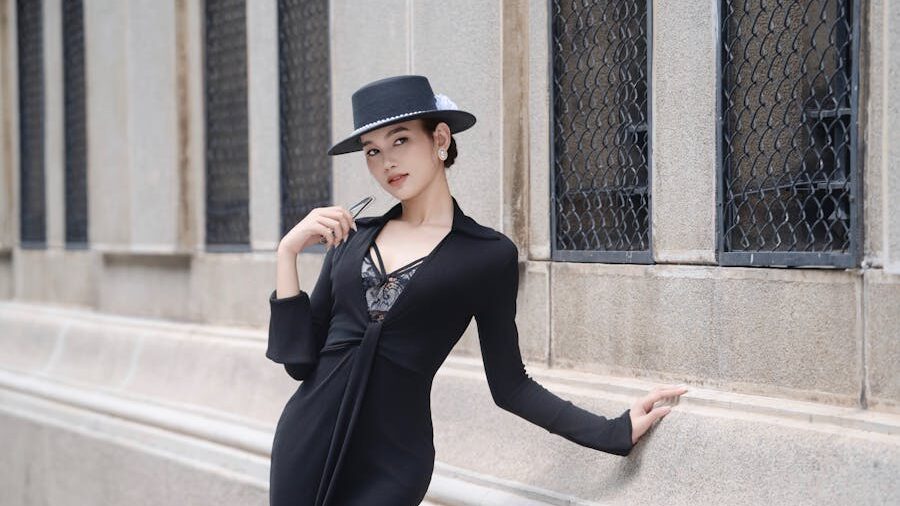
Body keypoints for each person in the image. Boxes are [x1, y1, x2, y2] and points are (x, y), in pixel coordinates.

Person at [266, 74, 688, 506]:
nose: (386, 162)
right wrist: (288, 253)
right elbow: (300, 364)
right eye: (372, 151)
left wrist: (613, 431)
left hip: (391, 461)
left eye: (400, 141)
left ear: (440, 138)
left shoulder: (487, 255)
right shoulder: (352, 239)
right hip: (307, 443)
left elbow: (510, 386)